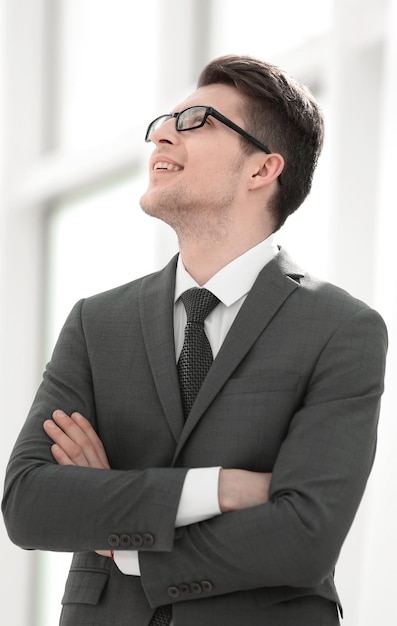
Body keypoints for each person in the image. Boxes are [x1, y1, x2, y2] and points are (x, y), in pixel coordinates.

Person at [2, 54, 387, 626]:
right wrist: (221, 489)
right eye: (163, 122)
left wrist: (126, 538)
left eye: (196, 121)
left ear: (262, 170)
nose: (161, 133)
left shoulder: (341, 328)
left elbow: (304, 536)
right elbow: (30, 505)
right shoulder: (97, 322)